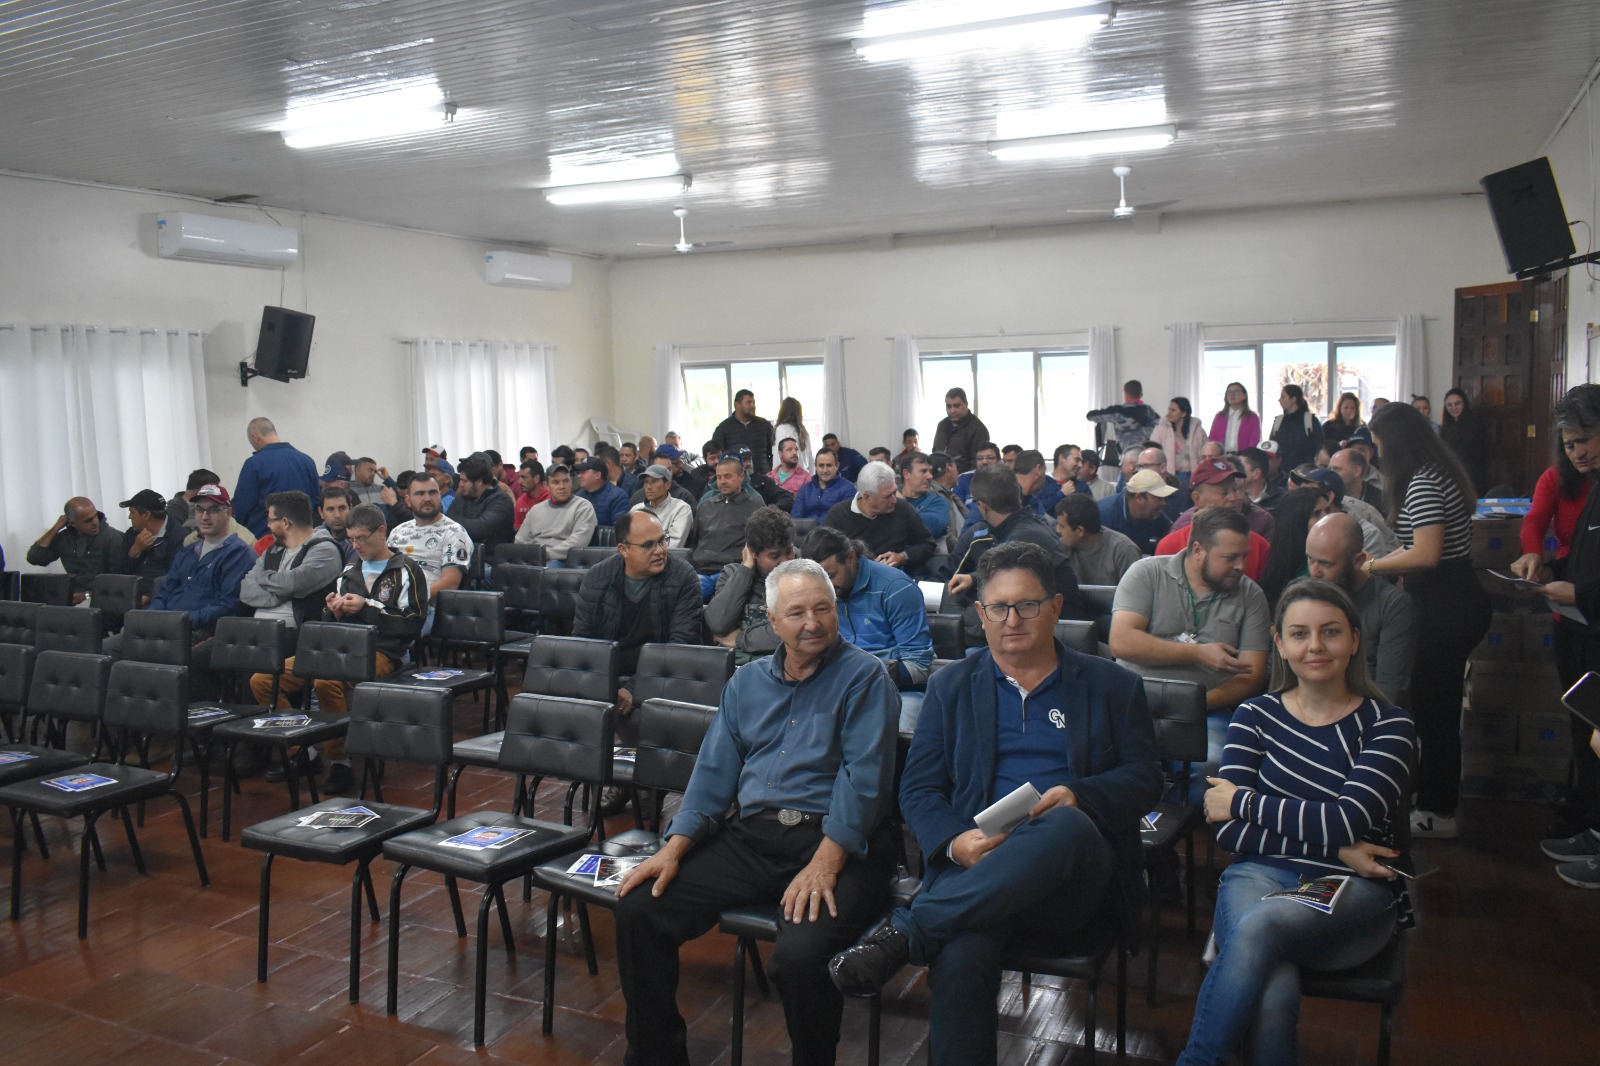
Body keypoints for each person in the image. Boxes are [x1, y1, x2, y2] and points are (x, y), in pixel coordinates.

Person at [827, 542, 1162, 1066]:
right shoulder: (951, 686)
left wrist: (1082, 795)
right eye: (999, 607)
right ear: (980, 614)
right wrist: (955, 843)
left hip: (1072, 885)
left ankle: (908, 930)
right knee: (960, 954)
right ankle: (927, 928)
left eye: (1027, 605)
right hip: (978, 872)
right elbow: (918, 788)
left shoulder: (1112, 686)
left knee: (1065, 825)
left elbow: (1145, 779)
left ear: (1055, 607)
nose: (1013, 619)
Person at [613, 558, 899, 1066]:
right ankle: (656, 1055)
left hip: (842, 846)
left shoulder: (865, 677)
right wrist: (674, 848)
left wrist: (824, 864)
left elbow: (865, 781)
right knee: (640, 909)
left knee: (799, 958)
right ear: (772, 623)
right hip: (755, 838)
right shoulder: (746, 684)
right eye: (797, 613)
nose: (812, 623)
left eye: (823, 609)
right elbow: (713, 773)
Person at [1177, 579, 1416, 1066]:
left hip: (1354, 891)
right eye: (1300, 634)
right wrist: (1340, 845)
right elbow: (1228, 831)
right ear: (1280, 644)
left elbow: (1347, 817)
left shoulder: (1389, 725)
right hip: (1262, 873)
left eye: (1330, 632)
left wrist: (1243, 799)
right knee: (1272, 982)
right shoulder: (1254, 715)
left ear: (1353, 639)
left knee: (1263, 926)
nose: (1315, 646)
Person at [1363, 400, 1491, 840]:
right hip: (1454, 598)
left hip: (1446, 605)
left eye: (1380, 446)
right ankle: (1433, 799)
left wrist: (1372, 568)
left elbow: (1426, 554)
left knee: (1437, 711)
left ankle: (1439, 811)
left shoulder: (1422, 483)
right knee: (1436, 705)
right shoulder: (1440, 473)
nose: (1378, 456)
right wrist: (1383, 560)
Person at [1111, 507, 1271, 796]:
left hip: (1208, 709)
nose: (1241, 566)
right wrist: (1197, 654)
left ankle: (1174, 826)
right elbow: (1122, 641)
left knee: (1213, 769)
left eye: (1244, 556)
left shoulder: (1250, 595)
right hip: (1134, 703)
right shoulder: (1147, 573)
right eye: (1230, 557)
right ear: (1198, 550)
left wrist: (1193, 705)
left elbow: (1253, 675)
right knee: (1100, 759)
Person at [282, 503, 424, 794]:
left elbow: (412, 624)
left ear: (381, 532)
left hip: (383, 652)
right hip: (340, 647)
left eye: (361, 538)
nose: (356, 545)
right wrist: (332, 612)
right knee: (264, 679)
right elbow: (327, 623)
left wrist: (368, 607)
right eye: (351, 539)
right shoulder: (349, 570)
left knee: (326, 683)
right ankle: (302, 751)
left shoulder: (406, 569)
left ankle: (339, 762)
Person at [1528, 385, 1600, 883]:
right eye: (1571, 443)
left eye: (1588, 438)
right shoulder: (1586, 482)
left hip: (1590, 616)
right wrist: (1550, 567)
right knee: (1586, 729)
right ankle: (1594, 828)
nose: (1579, 451)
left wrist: (1580, 595)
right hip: (1581, 625)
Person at [574, 511, 704, 740]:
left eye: (663, 540)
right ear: (623, 549)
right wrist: (606, 687)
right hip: (609, 678)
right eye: (648, 545)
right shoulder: (597, 578)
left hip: (665, 678)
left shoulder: (683, 577)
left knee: (640, 723)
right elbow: (583, 643)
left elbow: (681, 646)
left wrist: (635, 688)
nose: (660, 550)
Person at [803, 527, 934, 731]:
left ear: (851, 557)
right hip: (837, 688)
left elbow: (918, 665)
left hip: (898, 690)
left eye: (830, 576)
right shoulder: (819, 592)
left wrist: (858, 679)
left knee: (896, 731)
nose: (825, 587)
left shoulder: (896, 587)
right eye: (818, 580)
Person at [1305, 512, 1416, 705]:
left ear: (1358, 561)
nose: (1314, 572)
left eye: (1325, 563)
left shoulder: (1392, 605)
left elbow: (1389, 690)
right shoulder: (1305, 598)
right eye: (1310, 560)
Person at [1154, 459, 1272, 581]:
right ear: (1197, 498)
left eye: (1235, 489)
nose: (1233, 498)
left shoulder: (1259, 546)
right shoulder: (1170, 546)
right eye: (1223, 492)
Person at [706, 506, 796, 665]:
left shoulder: (803, 577)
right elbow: (718, 624)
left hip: (778, 669)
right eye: (774, 556)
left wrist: (741, 639)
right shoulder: (732, 574)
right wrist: (746, 568)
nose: (785, 561)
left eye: (789, 551)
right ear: (753, 552)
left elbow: (796, 631)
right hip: (732, 671)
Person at [823, 461, 936, 572]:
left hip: (893, 578)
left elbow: (928, 544)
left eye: (894, 492)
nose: (894, 500)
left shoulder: (902, 508)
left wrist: (903, 557)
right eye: (887, 496)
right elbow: (827, 557)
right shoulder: (838, 515)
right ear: (867, 497)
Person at [386, 474, 471, 608]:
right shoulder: (398, 532)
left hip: (425, 608)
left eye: (432, 493)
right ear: (408, 500)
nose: (427, 499)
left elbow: (450, 583)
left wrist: (409, 599)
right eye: (420, 494)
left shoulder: (454, 532)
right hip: (391, 602)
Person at [232, 417, 321, 537]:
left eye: (251, 442)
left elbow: (243, 506)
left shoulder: (254, 464)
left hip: (266, 538)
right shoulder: (307, 461)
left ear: (255, 437)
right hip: (302, 537)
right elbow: (315, 501)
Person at [27, 496, 123, 601]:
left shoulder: (111, 537)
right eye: (88, 521)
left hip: (104, 596)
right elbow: (34, 558)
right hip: (73, 594)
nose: (95, 523)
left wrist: (87, 595)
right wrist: (56, 527)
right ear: (72, 523)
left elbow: (116, 580)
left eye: (95, 516)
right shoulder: (64, 538)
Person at [692, 456, 763, 599]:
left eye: (727, 476)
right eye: (718, 477)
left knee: (723, 606)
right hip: (701, 572)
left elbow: (760, 547)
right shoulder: (706, 506)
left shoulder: (755, 508)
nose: (722, 482)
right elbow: (695, 539)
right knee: (681, 601)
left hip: (733, 572)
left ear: (741, 477)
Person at [1255, 487, 1333, 608]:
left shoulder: (1339, 553)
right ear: (1297, 521)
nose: (1326, 518)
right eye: (1316, 514)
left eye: (1328, 510)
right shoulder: (1276, 563)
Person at [514, 464, 596, 566]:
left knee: (548, 569)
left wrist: (543, 555)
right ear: (547, 486)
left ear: (571, 483)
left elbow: (577, 543)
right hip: (533, 559)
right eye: (555, 482)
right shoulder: (536, 510)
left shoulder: (582, 507)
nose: (562, 487)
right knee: (493, 572)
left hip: (562, 560)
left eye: (566, 481)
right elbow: (520, 541)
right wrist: (529, 557)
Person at [1055, 493, 1141, 587]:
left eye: (1061, 526)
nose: (1057, 530)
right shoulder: (1061, 549)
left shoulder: (1124, 550)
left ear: (1080, 531)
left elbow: (1135, 593)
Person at [116, 489, 186, 586]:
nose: (129, 517)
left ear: (146, 515)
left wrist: (149, 595)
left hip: (160, 597)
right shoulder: (132, 533)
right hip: (130, 594)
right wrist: (134, 552)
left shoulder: (179, 536)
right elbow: (119, 573)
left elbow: (175, 576)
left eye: (132, 512)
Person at [1098, 469, 1175, 556]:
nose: (1163, 503)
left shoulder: (1160, 519)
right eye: (1158, 498)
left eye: (1164, 498)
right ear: (1139, 497)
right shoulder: (1104, 516)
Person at [1087, 380, 1160, 465]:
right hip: (1147, 459)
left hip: (1128, 458)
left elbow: (1090, 416)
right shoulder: (1150, 412)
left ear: (1126, 394)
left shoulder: (1118, 411)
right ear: (1141, 395)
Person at [900, 451, 960, 552]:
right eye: (923, 471)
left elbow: (933, 528)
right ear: (906, 474)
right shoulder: (889, 500)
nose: (930, 477)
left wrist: (902, 504)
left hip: (928, 564)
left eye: (930, 472)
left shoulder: (938, 502)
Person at [713, 389, 777, 476]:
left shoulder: (764, 425)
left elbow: (774, 451)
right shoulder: (724, 428)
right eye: (748, 402)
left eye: (753, 402)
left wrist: (769, 469)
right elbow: (718, 455)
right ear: (737, 404)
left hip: (764, 478)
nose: (753, 406)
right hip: (736, 479)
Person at [630, 463, 695, 549]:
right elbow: (627, 541)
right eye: (646, 482)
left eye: (654, 481)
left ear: (667, 485)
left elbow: (673, 545)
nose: (648, 487)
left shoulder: (681, 509)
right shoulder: (636, 510)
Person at [1440, 387, 1489, 495]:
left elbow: (1471, 452)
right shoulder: (1446, 427)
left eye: (1457, 404)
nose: (1454, 408)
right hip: (1450, 476)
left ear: (1464, 404)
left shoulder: (1475, 424)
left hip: (1471, 475)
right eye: (1449, 405)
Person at [930, 387, 991, 473]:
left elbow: (978, 464)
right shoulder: (942, 425)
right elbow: (935, 453)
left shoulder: (978, 429)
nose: (952, 411)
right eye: (949, 406)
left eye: (957, 406)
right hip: (938, 479)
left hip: (963, 481)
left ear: (966, 404)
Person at [1151, 397, 1209, 481]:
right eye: (1169, 409)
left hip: (1194, 475)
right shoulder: (1160, 429)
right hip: (1170, 475)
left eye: (1173, 410)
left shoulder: (1198, 430)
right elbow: (1153, 452)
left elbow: (1207, 452)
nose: (1168, 414)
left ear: (1183, 413)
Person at [1269, 384, 1323, 473]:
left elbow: (1319, 446)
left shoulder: (1310, 421)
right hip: (1282, 473)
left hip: (1305, 472)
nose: (1279, 400)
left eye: (1283, 397)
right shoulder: (1278, 421)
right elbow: (1272, 446)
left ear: (1293, 399)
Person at [574, 456, 630, 527]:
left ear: (597, 475)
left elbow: (619, 530)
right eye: (579, 472)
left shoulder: (618, 497)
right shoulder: (578, 496)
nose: (579, 476)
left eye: (583, 472)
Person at [1208, 381, 1262, 454]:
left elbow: (1254, 440)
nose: (1232, 394)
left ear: (1244, 396)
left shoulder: (1252, 417)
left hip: (1244, 456)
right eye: (1229, 392)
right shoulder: (1219, 417)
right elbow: (1212, 439)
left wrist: (1247, 457)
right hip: (1222, 456)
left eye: (1236, 391)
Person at [313, 485, 360, 567]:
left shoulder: (358, 540)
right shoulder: (313, 537)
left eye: (342, 508)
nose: (337, 515)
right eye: (330, 509)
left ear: (350, 508)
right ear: (321, 512)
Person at [1328, 446, 1386, 510]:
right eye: (1329, 469)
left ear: (1357, 471)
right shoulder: (1325, 498)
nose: (1331, 474)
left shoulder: (1382, 501)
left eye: (1337, 469)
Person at [773, 396, 812, 474]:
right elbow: (810, 459)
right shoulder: (803, 430)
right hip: (803, 475)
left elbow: (779, 456)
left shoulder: (781, 429)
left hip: (786, 476)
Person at [513, 459, 549, 529]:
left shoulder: (551, 499)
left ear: (536, 478)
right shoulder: (520, 501)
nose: (519, 482)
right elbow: (518, 531)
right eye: (519, 477)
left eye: (524, 477)